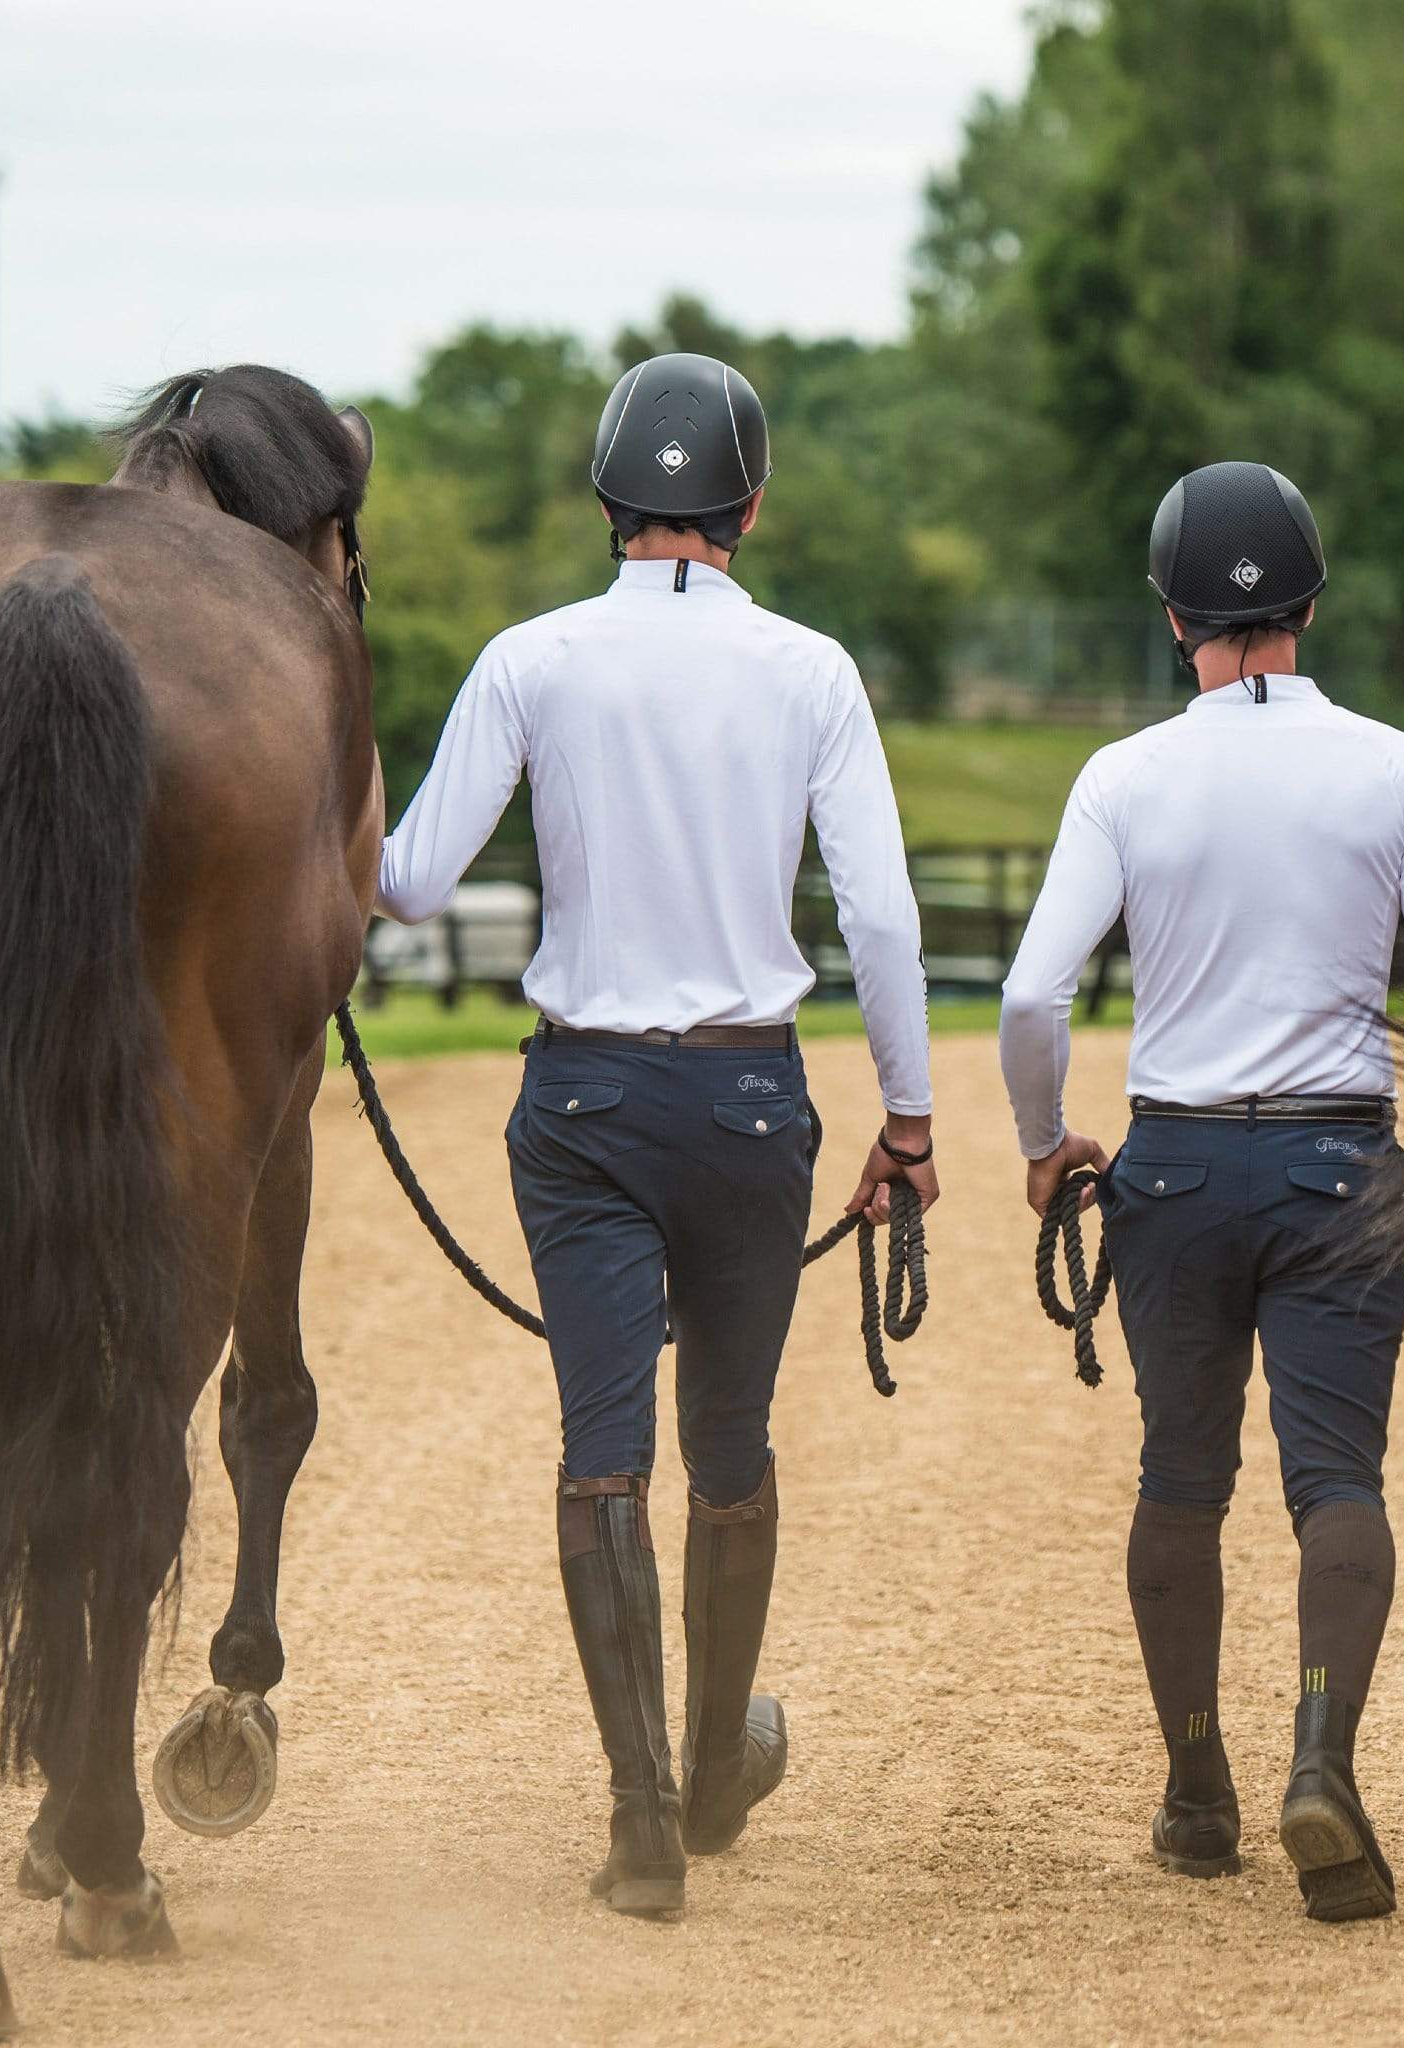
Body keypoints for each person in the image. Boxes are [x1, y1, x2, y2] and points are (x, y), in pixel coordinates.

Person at [376, 352, 937, 1919]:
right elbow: (881, 918)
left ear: (609, 500)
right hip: (755, 1104)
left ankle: (639, 1832)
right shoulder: (814, 672)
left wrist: (330, 739)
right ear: (748, 506)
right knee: (733, 1446)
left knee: (602, 1450)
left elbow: (410, 881)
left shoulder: (529, 660)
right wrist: (908, 1114)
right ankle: (705, 1778)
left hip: (586, 1107)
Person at [999, 460, 1404, 1919]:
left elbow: (1037, 995)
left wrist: (1047, 1139)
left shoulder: (1123, 778)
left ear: (1176, 616)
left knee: (1181, 1479)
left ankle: (1194, 1790)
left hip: (1172, 1163)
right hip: (1340, 1161)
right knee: (1338, 1481)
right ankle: (1322, 1761)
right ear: (1309, 602)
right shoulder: (1396, 768)